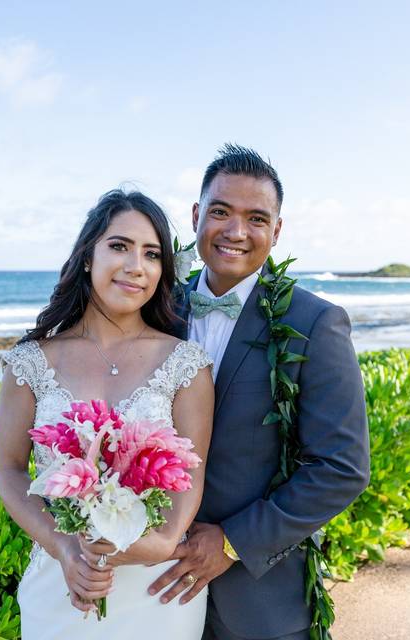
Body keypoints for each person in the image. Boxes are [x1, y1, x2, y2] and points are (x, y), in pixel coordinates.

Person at [148, 144, 371, 640]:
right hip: (148, 587)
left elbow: (342, 467)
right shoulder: (154, 309)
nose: (236, 232)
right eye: (221, 212)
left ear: (277, 230)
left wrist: (231, 542)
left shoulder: (315, 322)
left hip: (258, 602)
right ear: (195, 216)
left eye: (256, 217)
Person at [0, 189, 215, 638]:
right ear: (88, 256)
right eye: (119, 246)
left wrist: (162, 542)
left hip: (159, 591)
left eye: (152, 254)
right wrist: (63, 546)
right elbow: (10, 468)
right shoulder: (31, 361)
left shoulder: (186, 364)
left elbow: (192, 472)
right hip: (61, 584)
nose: (136, 265)